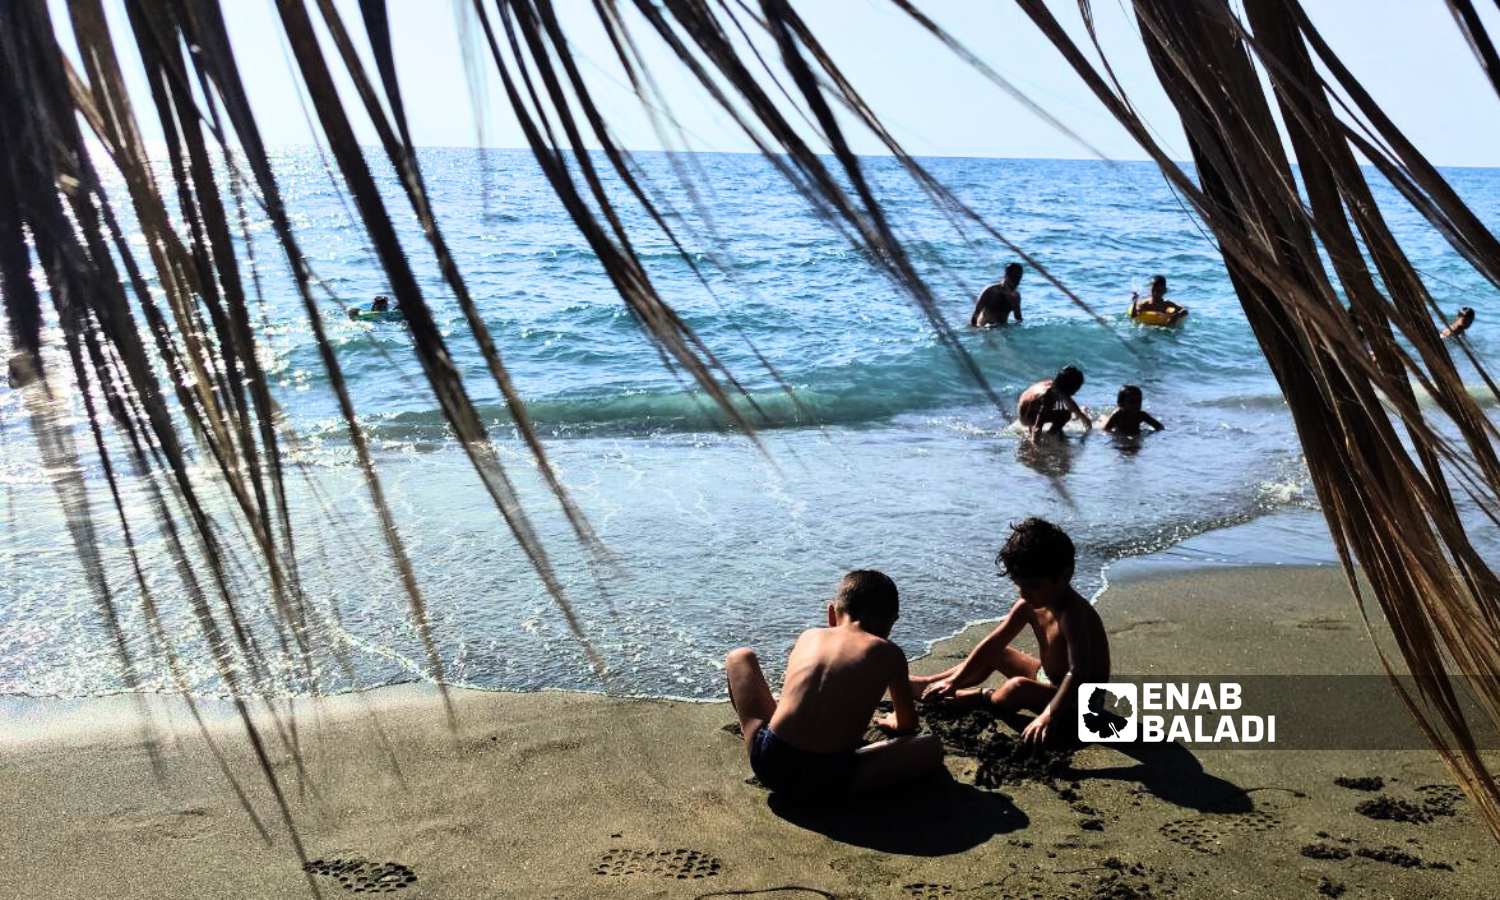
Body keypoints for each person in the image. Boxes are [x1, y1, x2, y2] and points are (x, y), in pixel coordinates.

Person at [724, 570, 944, 801]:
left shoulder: (810, 635)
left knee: (739, 656)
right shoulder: (891, 653)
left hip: (770, 764)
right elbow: (908, 725)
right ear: (892, 623)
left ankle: (752, 730)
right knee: (931, 746)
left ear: (832, 613)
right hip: (831, 779)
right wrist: (894, 721)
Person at [911, 518, 1110, 748]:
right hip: (1048, 677)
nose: (1024, 594)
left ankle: (981, 697)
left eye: (1033, 586)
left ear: (1064, 576)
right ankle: (936, 683)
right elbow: (993, 643)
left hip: (1079, 701)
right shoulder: (1029, 604)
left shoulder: (1073, 614)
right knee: (998, 653)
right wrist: (955, 680)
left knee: (1017, 687)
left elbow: (1079, 672)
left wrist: (1048, 715)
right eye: (1019, 585)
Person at [1017, 366, 1091, 441]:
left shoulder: (1056, 388)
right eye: (1077, 388)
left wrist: (1083, 417)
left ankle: (1052, 434)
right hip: (1026, 416)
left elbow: (1069, 402)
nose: (1077, 391)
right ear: (1071, 387)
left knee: (1064, 410)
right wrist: (1036, 449)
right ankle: (1049, 436)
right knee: (1065, 415)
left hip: (1031, 408)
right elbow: (1038, 427)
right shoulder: (1047, 395)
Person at [971, 262, 1024, 327]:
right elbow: (975, 315)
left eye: (1019, 278)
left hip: (1003, 329)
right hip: (985, 329)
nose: (1017, 281)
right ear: (1006, 276)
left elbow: (1018, 319)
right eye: (1014, 277)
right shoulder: (990, 291)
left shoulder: (1016, 296)